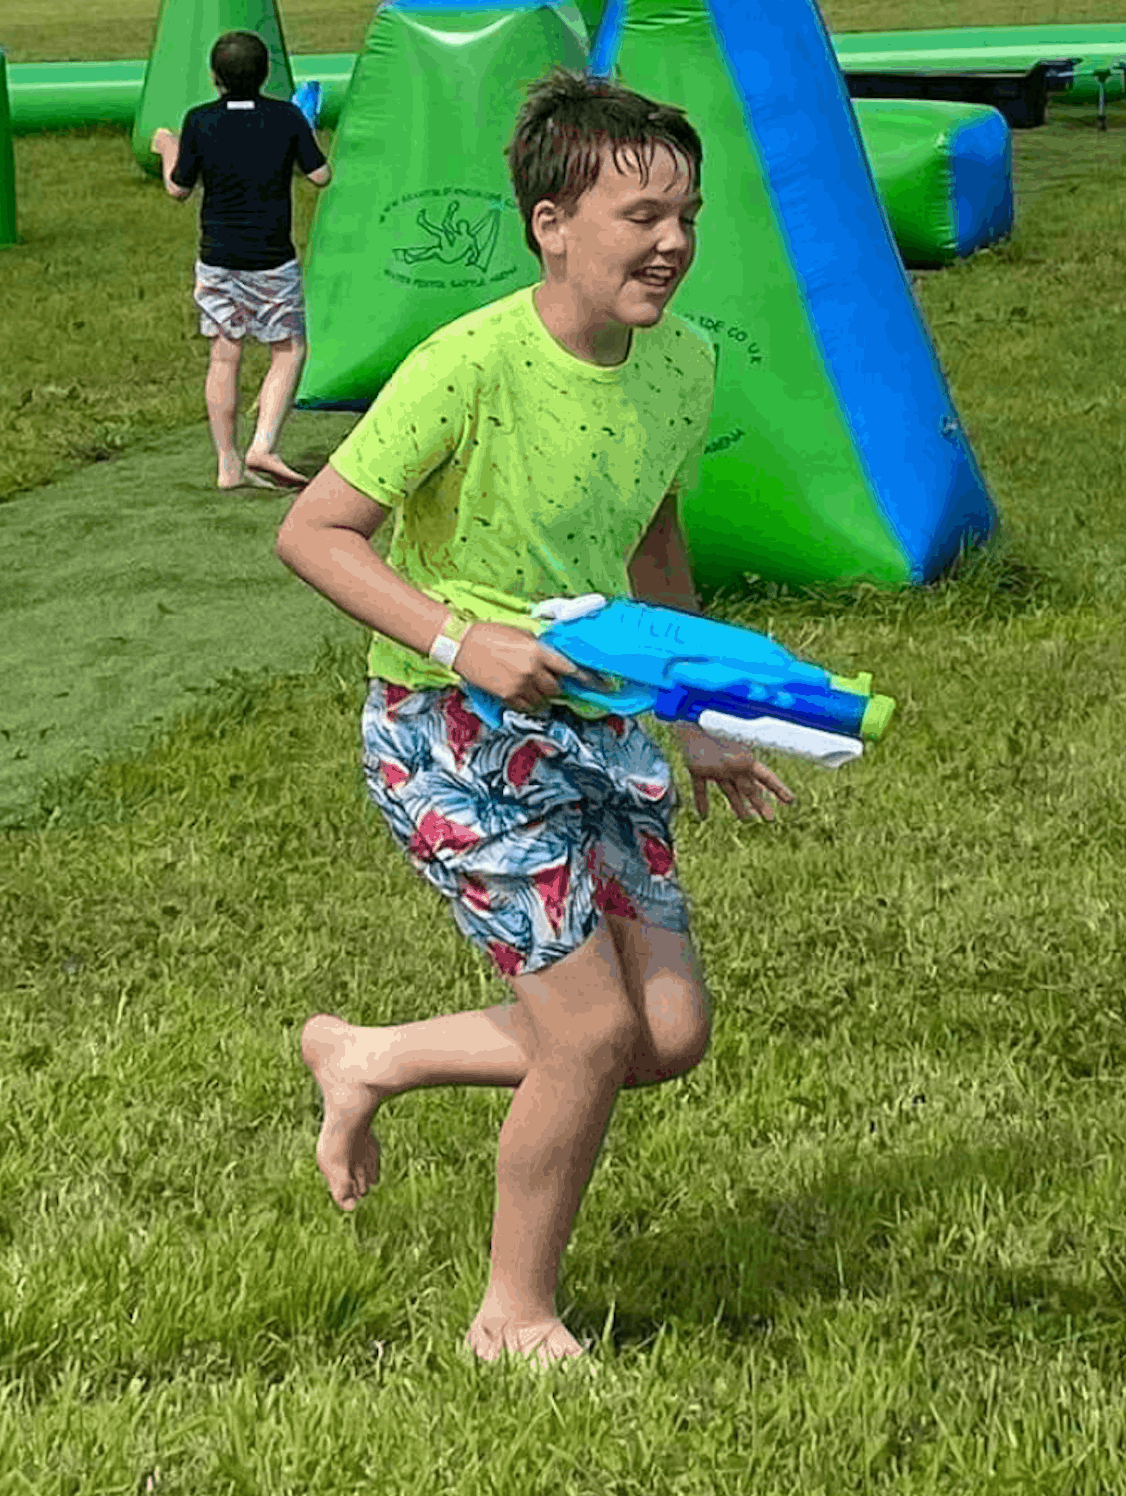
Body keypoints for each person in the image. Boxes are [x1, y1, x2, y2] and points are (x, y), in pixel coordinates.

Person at [269, 69, 795, 1366]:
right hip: (449, 733)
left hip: (597, 723)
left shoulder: (684, 362)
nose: (672, 240)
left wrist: (700, 712)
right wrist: (464, 639)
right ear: (552, 223)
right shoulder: (468, 363)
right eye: (641, 215)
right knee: (591, 1031)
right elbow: (314, 531)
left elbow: (655, 539)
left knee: (667, 1032)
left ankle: (371, 1055)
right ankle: (513, 1314)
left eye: (687, 214)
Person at [153, 30, 329, 490]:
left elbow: (178, 188)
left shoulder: (200, 120)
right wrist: (303, 132)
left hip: (218, 259)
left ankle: (228, 464)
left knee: (224, 354)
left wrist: (168, 147)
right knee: (288, 349)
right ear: (266, 74)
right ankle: (263, 445)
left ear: (215, 77)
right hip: (271, 260)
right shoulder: (286, 117)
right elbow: (320, 175)